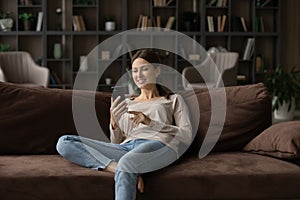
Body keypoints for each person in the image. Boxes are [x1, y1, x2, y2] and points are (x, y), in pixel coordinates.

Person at [56, 49, 192, 200]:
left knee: (127, 162)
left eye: (144, 69)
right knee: (64, 142)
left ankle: (126, 168)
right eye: (134, 71)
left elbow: (186, 136)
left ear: (157, 71)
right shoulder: (127, 102)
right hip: (127, 147)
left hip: (160, 144)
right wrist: (113, 124)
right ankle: (118, 168)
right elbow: (116, 143)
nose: (138, 75)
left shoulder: (173, 99)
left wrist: (150, 122)